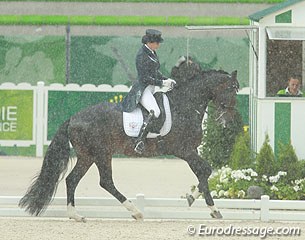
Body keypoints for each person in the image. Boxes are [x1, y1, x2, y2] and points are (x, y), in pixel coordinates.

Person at [121, 29, 176, 154]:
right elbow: (145, 78)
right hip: (143, 89)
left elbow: (155, 72)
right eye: (157, 42)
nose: (159, 45)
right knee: (155, 112)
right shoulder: (142, 55)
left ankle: (157, 136)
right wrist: (161, 83)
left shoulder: (152, 52)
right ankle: (140, 141)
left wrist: (166, 79)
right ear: (151, 42)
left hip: (152, 88)